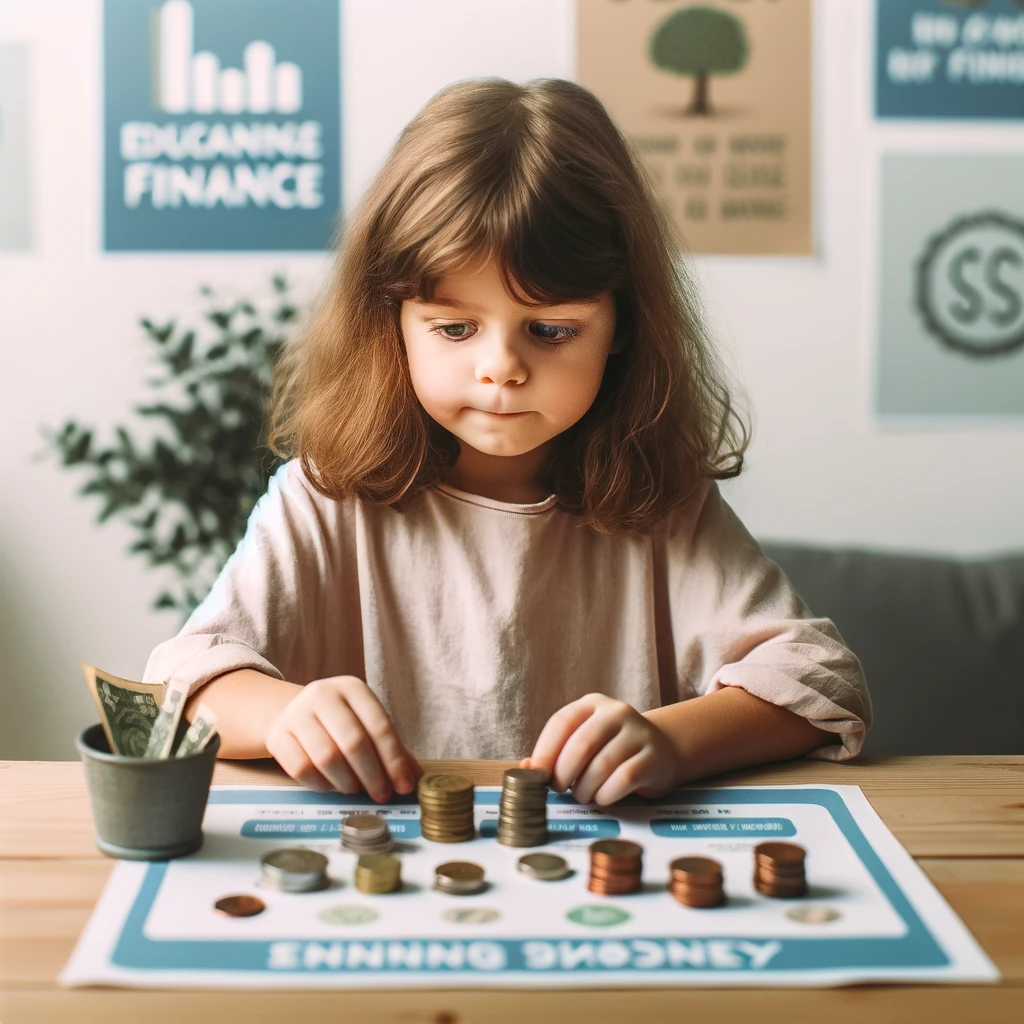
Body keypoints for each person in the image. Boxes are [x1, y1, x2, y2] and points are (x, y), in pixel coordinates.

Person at [143, 78, 870, 807]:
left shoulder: (660, 506)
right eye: (454, 328)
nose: (503, 368)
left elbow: (815, 676)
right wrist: (281, 716)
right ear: (389, 321)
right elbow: (176, 688)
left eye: (551, 330)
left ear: (624, 326)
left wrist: (673, 742)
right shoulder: (325, 498)